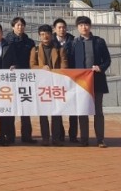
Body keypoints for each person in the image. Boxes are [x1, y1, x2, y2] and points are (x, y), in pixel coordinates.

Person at [66, 15, 111, 148]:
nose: (83, 27)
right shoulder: (74, 43)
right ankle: (84, 139)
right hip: (81, 83)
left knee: (98, 111)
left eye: (86, 24)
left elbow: (107, 60)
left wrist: (100, 67)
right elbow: (70, 63)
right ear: (77, 28)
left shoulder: (99, 42)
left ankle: (100, 139)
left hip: (97, 81)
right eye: (80, 25)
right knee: (82, 110)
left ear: (90, 26)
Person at [29, 24, 67, 146]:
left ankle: (55, 138)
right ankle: (45, 138)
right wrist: (41, 68)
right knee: (43, 113)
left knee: (56, 113)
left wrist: (58, 74)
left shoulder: (59, 49)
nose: (45, 36)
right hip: (41, 86)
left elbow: (64, 66)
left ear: (52, 35)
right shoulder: (34, 49)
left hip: (56, 84)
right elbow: (32, 66)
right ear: (39, 36)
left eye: (47, 34)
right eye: (42, 34)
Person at [4, 16, 36, 144]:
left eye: (22, 25)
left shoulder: (30, 42)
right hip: (11, 78)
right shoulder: (6, 41)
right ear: (13, 27)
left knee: (25, 108)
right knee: (10, 109)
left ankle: (27, 136)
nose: (20, 27)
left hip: (25, 78)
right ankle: (10, 136)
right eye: (17, 25)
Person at [53, 17, 75, 144]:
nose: (62, 29)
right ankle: (59, 134)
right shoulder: (50, 42)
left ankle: (73, 135)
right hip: (56, 80)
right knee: (58, 108)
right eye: (59, 27)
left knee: (74, 108)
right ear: (55, 29)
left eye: (64, 27)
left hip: (72, 79)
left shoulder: (73, 40)